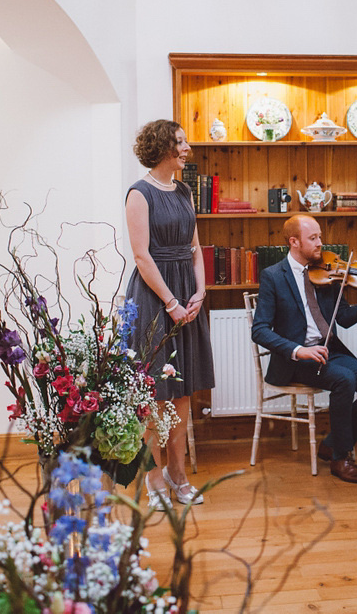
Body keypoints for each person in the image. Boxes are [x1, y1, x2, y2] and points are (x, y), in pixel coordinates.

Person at [251, 214, 357, 483]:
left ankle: (332, 442)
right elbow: (259, 330)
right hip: (296, 360)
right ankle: (341, 458)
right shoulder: (273, 276)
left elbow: (343, 318)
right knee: (344, 379)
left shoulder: (326, 272)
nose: (321, 243)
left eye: (320, 236)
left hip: (329, 351)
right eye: (313, 238)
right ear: (293, 241)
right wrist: (299, 350)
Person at [125, 119, 215, 510]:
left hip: (186, 294)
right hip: (154, 298)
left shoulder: (183, 190)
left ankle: (180, 477)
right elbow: (142, 256)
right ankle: (154, 479)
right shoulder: (139, 193)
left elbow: (196, 248)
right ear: (163, 147)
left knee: (181, 394)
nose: (187, 148)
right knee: (154, 396)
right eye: (180, 142)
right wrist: (172, 303)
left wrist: (200, 291)